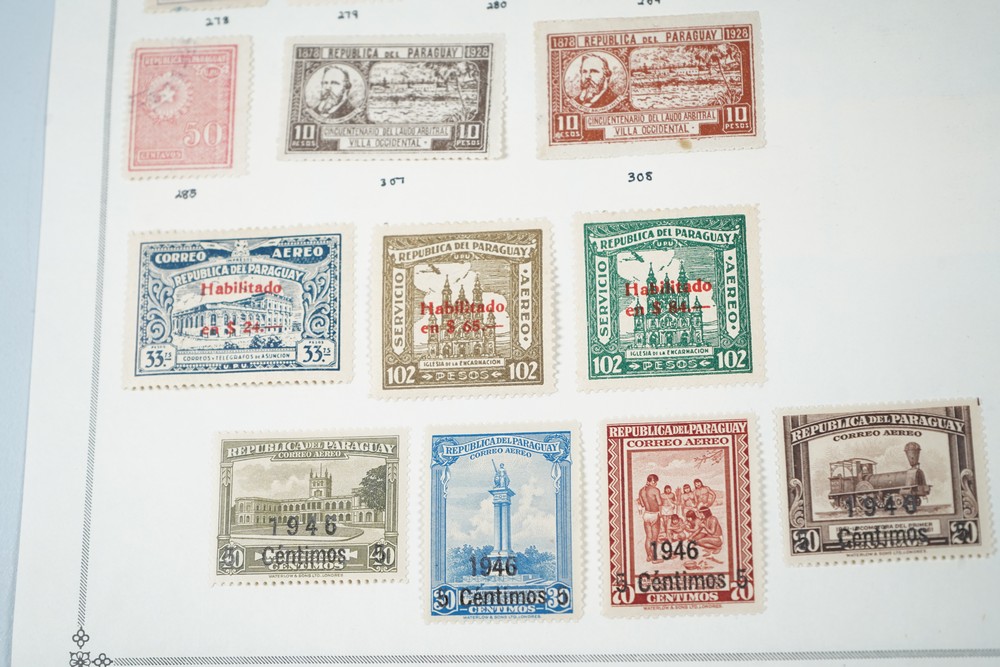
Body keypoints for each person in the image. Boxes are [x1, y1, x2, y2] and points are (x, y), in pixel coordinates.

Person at [637, 474, 663, 563]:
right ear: (651, 481)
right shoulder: (655, 490)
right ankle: (654, 558)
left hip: (646, 514)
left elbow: (642, 504)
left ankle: (649, 556)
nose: (656, 484)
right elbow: (659, 503)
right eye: (655, 482)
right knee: (654, 538)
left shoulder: (641, 490)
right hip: (654, 514)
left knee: (648, 537)